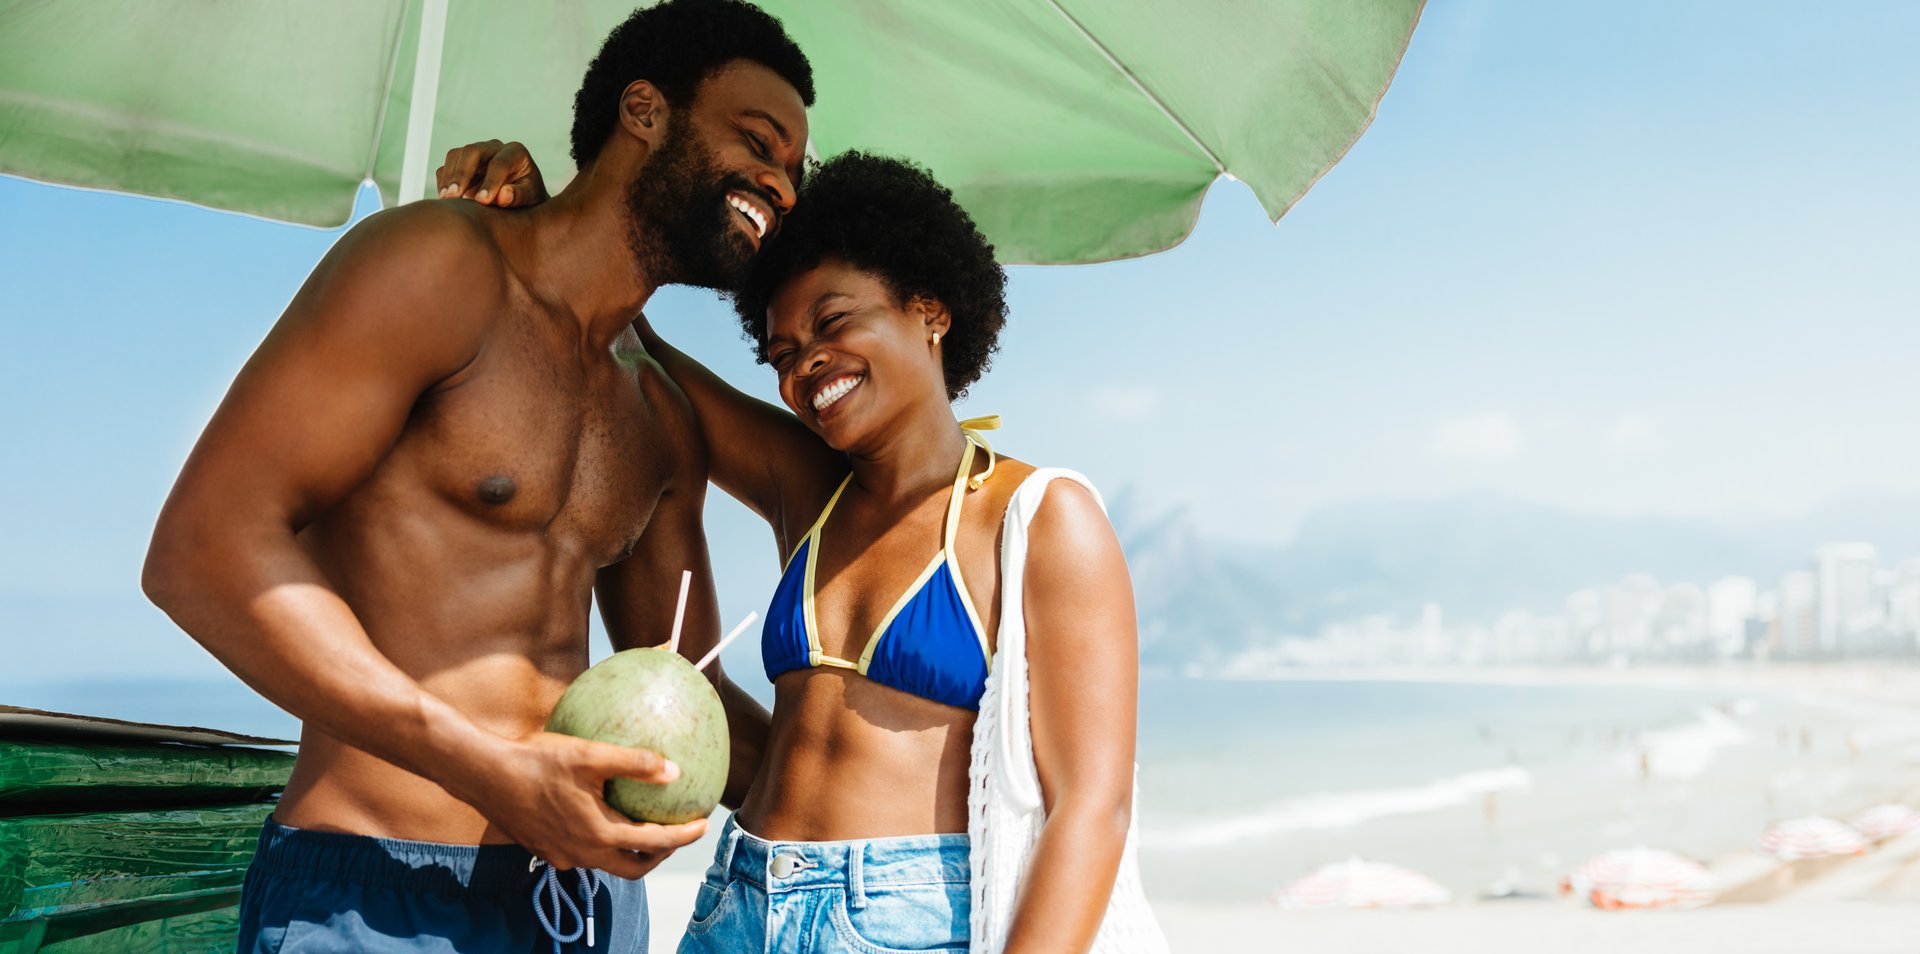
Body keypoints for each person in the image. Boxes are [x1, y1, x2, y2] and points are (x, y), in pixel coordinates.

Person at [140, 2, 814, 950]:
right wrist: (493, 769)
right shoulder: (437, 267)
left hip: (578, 910)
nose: (782, 185)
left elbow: (686, 691)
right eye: (759, 141)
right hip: (376, 894)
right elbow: (200, 551)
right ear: (645, 112)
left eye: (795, 170)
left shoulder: (660, 415)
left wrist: (903, 785)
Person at [445, 145, 1168, 952]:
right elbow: (644, 361)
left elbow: (1090, 808)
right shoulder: (813, 491)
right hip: (738, 903)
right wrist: (552, 222)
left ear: (929, 309)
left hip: (906, 921)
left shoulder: (1040, 516)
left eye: (831, 322)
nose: (806, 364)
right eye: (782, 355)